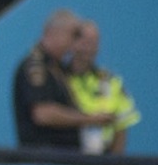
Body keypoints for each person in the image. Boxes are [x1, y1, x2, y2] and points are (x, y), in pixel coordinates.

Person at [12, 8, 114, 150]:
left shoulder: (58, 67)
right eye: (72, 36)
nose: (74, 45)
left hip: (65, 158)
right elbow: (43, 114)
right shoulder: (35, 66)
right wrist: (89, 119)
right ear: (55, 33)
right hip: (44, 161)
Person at [66, 19, 140, 155]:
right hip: (68, 156)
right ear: (71, 43)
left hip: (103, 158)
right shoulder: (60, 79)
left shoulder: (110, 81)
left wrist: (114, 164)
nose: (88, 48)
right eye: (84, 42)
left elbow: (122, 126)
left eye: (93, 43)